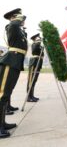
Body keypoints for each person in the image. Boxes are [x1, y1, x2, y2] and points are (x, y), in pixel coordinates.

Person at [0, 8, 28, 138]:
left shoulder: (18, 30)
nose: (22, 19)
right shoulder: (11, 26)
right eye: (19, 16)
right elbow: (15, 23)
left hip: (15, 63)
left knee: (7, 94)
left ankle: (2, 123)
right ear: (14, 17)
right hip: (10, 62)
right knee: (2, 94)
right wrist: (19, 17)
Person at [26, 34, 44, 102]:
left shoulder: (39, 45)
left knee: (34, 80)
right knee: (31, 81)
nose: (40, 39)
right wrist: (38, 42)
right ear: (35, 39)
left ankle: (32, 96)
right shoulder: (34, 44)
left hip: (38, 63)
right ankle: (28, 97)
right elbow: (34, 51)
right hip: (34, 63)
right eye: (38, 38)